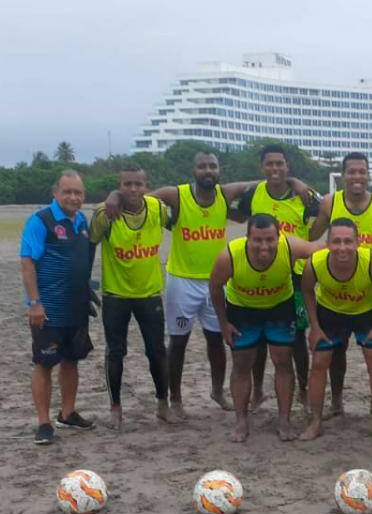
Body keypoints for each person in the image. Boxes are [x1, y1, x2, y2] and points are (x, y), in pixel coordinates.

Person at [102, 155, 307, 417]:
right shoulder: (177, 195)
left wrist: (295, 181)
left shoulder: (225, 194)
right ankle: (175, 399)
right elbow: (137, 196)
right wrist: (114, 195)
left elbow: (263, 180)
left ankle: (218, 391)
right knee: (178, 342)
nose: (207, 171)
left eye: (212, 166)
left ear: (219, 170)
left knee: (218, 340)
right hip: (182, 279)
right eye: (202, 166)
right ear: (194, 170)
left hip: (215, 279)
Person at [207, 214, 322, 442]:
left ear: (279, 237)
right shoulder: (229, 255)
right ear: (247, 238)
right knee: (242, 364)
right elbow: (215, 287)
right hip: (242, 309)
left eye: (270, 240)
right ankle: (241, 420)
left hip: (279, 307)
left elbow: (322, 250)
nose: (264, 246)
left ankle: (284, 420)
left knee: (282, 361)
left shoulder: (289, 246)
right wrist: (224, 323)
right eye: (257, 240)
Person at [308, 152, 372, 418]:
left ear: (368, 174)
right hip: (335, 288)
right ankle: (336, 402)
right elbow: (312, 235)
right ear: (343, 175)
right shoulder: (330, 203)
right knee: (334, 357)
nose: (357, 177)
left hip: (367, 288)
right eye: (352, 172)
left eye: (362, 171)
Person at [229, 144, 320, 408]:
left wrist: (298, 184)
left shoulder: (304, 196)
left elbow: (325, 213)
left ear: (287, 166)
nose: (275, 169)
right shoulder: (254, 194)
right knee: (257, 341)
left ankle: (302, 390)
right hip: (261, 272)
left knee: (298, 339)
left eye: (280, 164)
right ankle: (257, 390)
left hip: (297, 276)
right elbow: (232, 207)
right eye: (269, 164)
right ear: (262, 167)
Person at [299, 218, 372, 443]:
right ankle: (316, 422)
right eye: (337, 241)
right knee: (320, 361)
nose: (342, 247)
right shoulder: (315, 263)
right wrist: (314, 327)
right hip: (330, 311)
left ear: (358, 242)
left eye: (348, 242)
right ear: (328, 243)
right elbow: (307, 291)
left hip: (366, 311)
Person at [19, 170, 95, 445]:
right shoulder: (41, 221)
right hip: (48, 308)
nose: (73, 197)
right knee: (44, 363)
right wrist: (34, 303)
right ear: (55, 193)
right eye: (67, 192)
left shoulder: (82, 220)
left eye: (78, 193)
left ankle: (68, 412)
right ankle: (43, 422)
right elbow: (27, 263)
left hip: (76, 306)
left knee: (72, 360)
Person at [90, 166, 170, 429]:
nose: (133, 189)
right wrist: (83, 285)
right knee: (115, 353)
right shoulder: (105, 213)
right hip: (116, 295)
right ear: (119, 185)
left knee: (157, 352)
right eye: (126, 185)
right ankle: (115, 407)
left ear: (146, 186)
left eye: (138, 184)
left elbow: (181, 223)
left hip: (149, 293)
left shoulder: (157, 209)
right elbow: (90, 244)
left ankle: (163, 403)